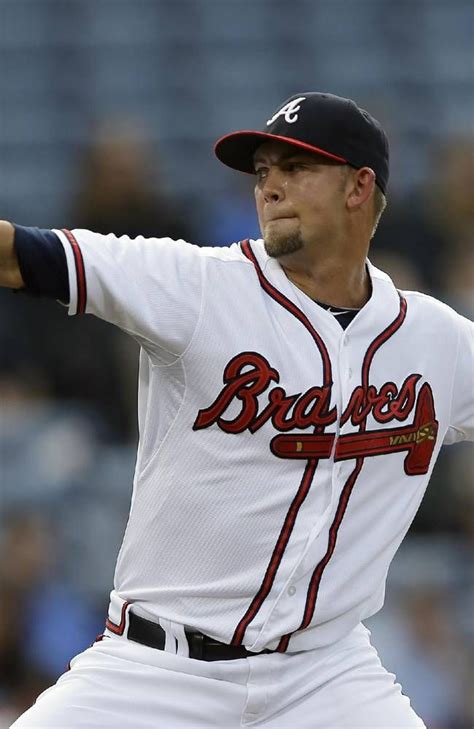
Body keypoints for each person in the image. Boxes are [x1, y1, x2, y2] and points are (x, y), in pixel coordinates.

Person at [0, 92, 472, 728]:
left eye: (295, 168)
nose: (270, 187)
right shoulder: (197, 287)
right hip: (155, 670)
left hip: (325, 676)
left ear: (360, 187)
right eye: (263, 172)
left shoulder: (435, 341)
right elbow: (20, 254)